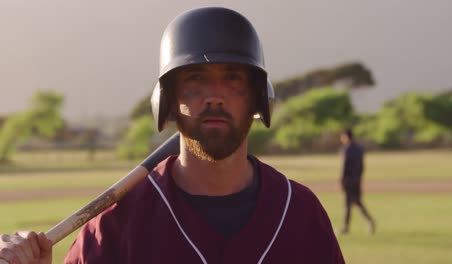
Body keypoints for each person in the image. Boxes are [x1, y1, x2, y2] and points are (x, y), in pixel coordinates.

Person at [0, 7, 345, 263]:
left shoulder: (300, 214)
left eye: (233, 78)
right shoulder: (115, 229)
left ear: (258, 98)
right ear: (167, 99)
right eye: (195, 78)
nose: (214, 95)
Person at [338, 128, 375, 235]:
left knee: (347, 204)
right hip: (357, 179)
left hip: (349, 180)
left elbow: (345, 166)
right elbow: (362, 166)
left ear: (346, 136)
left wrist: (342, 180)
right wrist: (358, 178)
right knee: (357, 202)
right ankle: (369, 221)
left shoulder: (346, 149)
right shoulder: (359, 149)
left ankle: (345, 227)